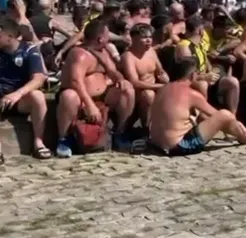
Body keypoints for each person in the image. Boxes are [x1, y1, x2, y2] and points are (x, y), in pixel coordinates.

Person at [148, 56, 246, 155]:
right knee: (224, 114)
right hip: (178, 147)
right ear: (193, 75)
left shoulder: (163, 89)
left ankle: (244, 135)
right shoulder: (191, 94)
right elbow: (222, 116)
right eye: (199, 73)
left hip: (156, 143)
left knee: (206, 117)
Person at [56, 20, 136, 158]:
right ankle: (64, 139)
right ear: (100, 38)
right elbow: (76, 82)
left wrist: (120, 79)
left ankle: (119, 133)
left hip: (102, 95)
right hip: (80, 97)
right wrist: (90, 105)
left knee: (127, 89)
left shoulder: (103, 51)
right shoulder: (79, 54)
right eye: (107, 35)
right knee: (69, 96)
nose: (110, 38)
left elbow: (113, 72)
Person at [0, 17, 50, 159]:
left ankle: (38, 143)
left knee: (38, 96)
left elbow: (39, 78)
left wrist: (17, 94)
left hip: (19, 98)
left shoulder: (28, 50)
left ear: (9, 36)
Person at [120, 23, 169, 127]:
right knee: (148, 95)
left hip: (155, 86)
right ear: (134, 38)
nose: (149, 40)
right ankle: (146, 129)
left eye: (150, 37)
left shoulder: (151, 51)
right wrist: (160, 86)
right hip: (138, 93)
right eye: (144, 37)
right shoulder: (128, 56)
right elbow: (135, 83)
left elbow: (160, 70)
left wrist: (164, 76)